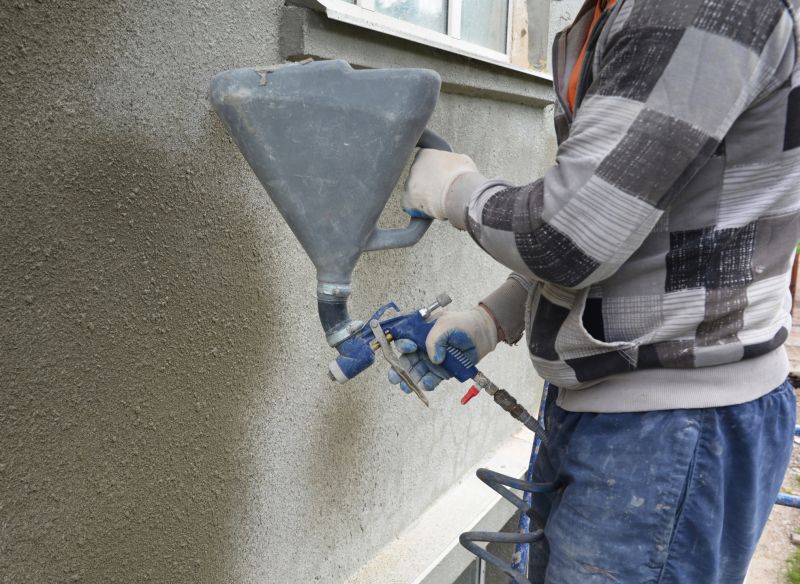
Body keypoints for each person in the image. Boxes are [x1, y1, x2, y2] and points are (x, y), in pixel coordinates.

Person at [387, 0, 800, 581]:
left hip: (669, 426)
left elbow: (569, 236)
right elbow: (635, 212)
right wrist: (497, 315)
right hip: (640, 410)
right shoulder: (617, 10)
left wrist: (457, 190)